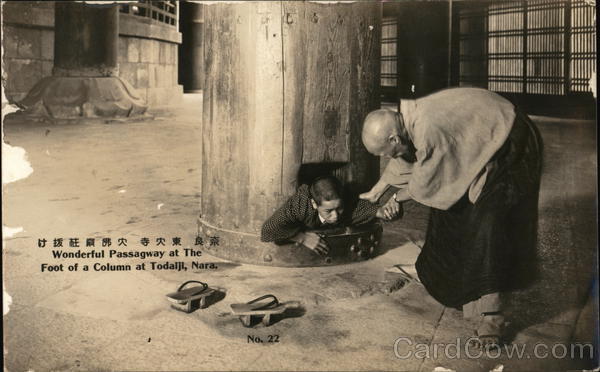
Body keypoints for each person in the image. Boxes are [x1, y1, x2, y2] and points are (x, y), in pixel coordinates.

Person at [360, 87, 543, 348]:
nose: (385, 158)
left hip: (510, 143)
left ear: (393, 139)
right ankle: (465, 294)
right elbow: (408, 157)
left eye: (383, 152)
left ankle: (493, 317)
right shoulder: (407, 119)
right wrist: (378, 190)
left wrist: (395, 198)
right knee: (450, 213)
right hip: (483, 140)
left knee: (486, 223)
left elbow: (425, 179)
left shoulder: (427, 127)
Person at [261, 176, 392, 256]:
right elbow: (268, 228)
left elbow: (368, 210)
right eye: (328, 211)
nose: (335, 216)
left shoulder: (345, 203)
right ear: (314, 204)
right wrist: (302, 238)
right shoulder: (301, 204)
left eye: (339, 209)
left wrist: (384, 212)